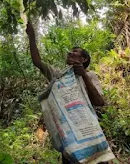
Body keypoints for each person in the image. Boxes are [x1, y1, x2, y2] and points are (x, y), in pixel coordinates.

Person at [26, 22, 108, 164]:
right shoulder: (59, 76)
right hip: (70, 138)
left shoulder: (91, 75)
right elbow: (37, 62)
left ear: (83, 59)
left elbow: (99, 102)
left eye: (75, 51)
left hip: (89, 134)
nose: (70, 52)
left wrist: (84, 76)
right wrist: (32, 37)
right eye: (70, 51)